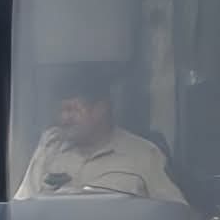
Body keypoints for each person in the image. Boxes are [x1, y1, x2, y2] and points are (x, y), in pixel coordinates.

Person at [14, 66, 185, 203]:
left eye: (72, 109)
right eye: (61, 110)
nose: (63, 118)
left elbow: (176, 216)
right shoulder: (50, 148)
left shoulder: (144, 155)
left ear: (101, 109)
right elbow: (23, 208)